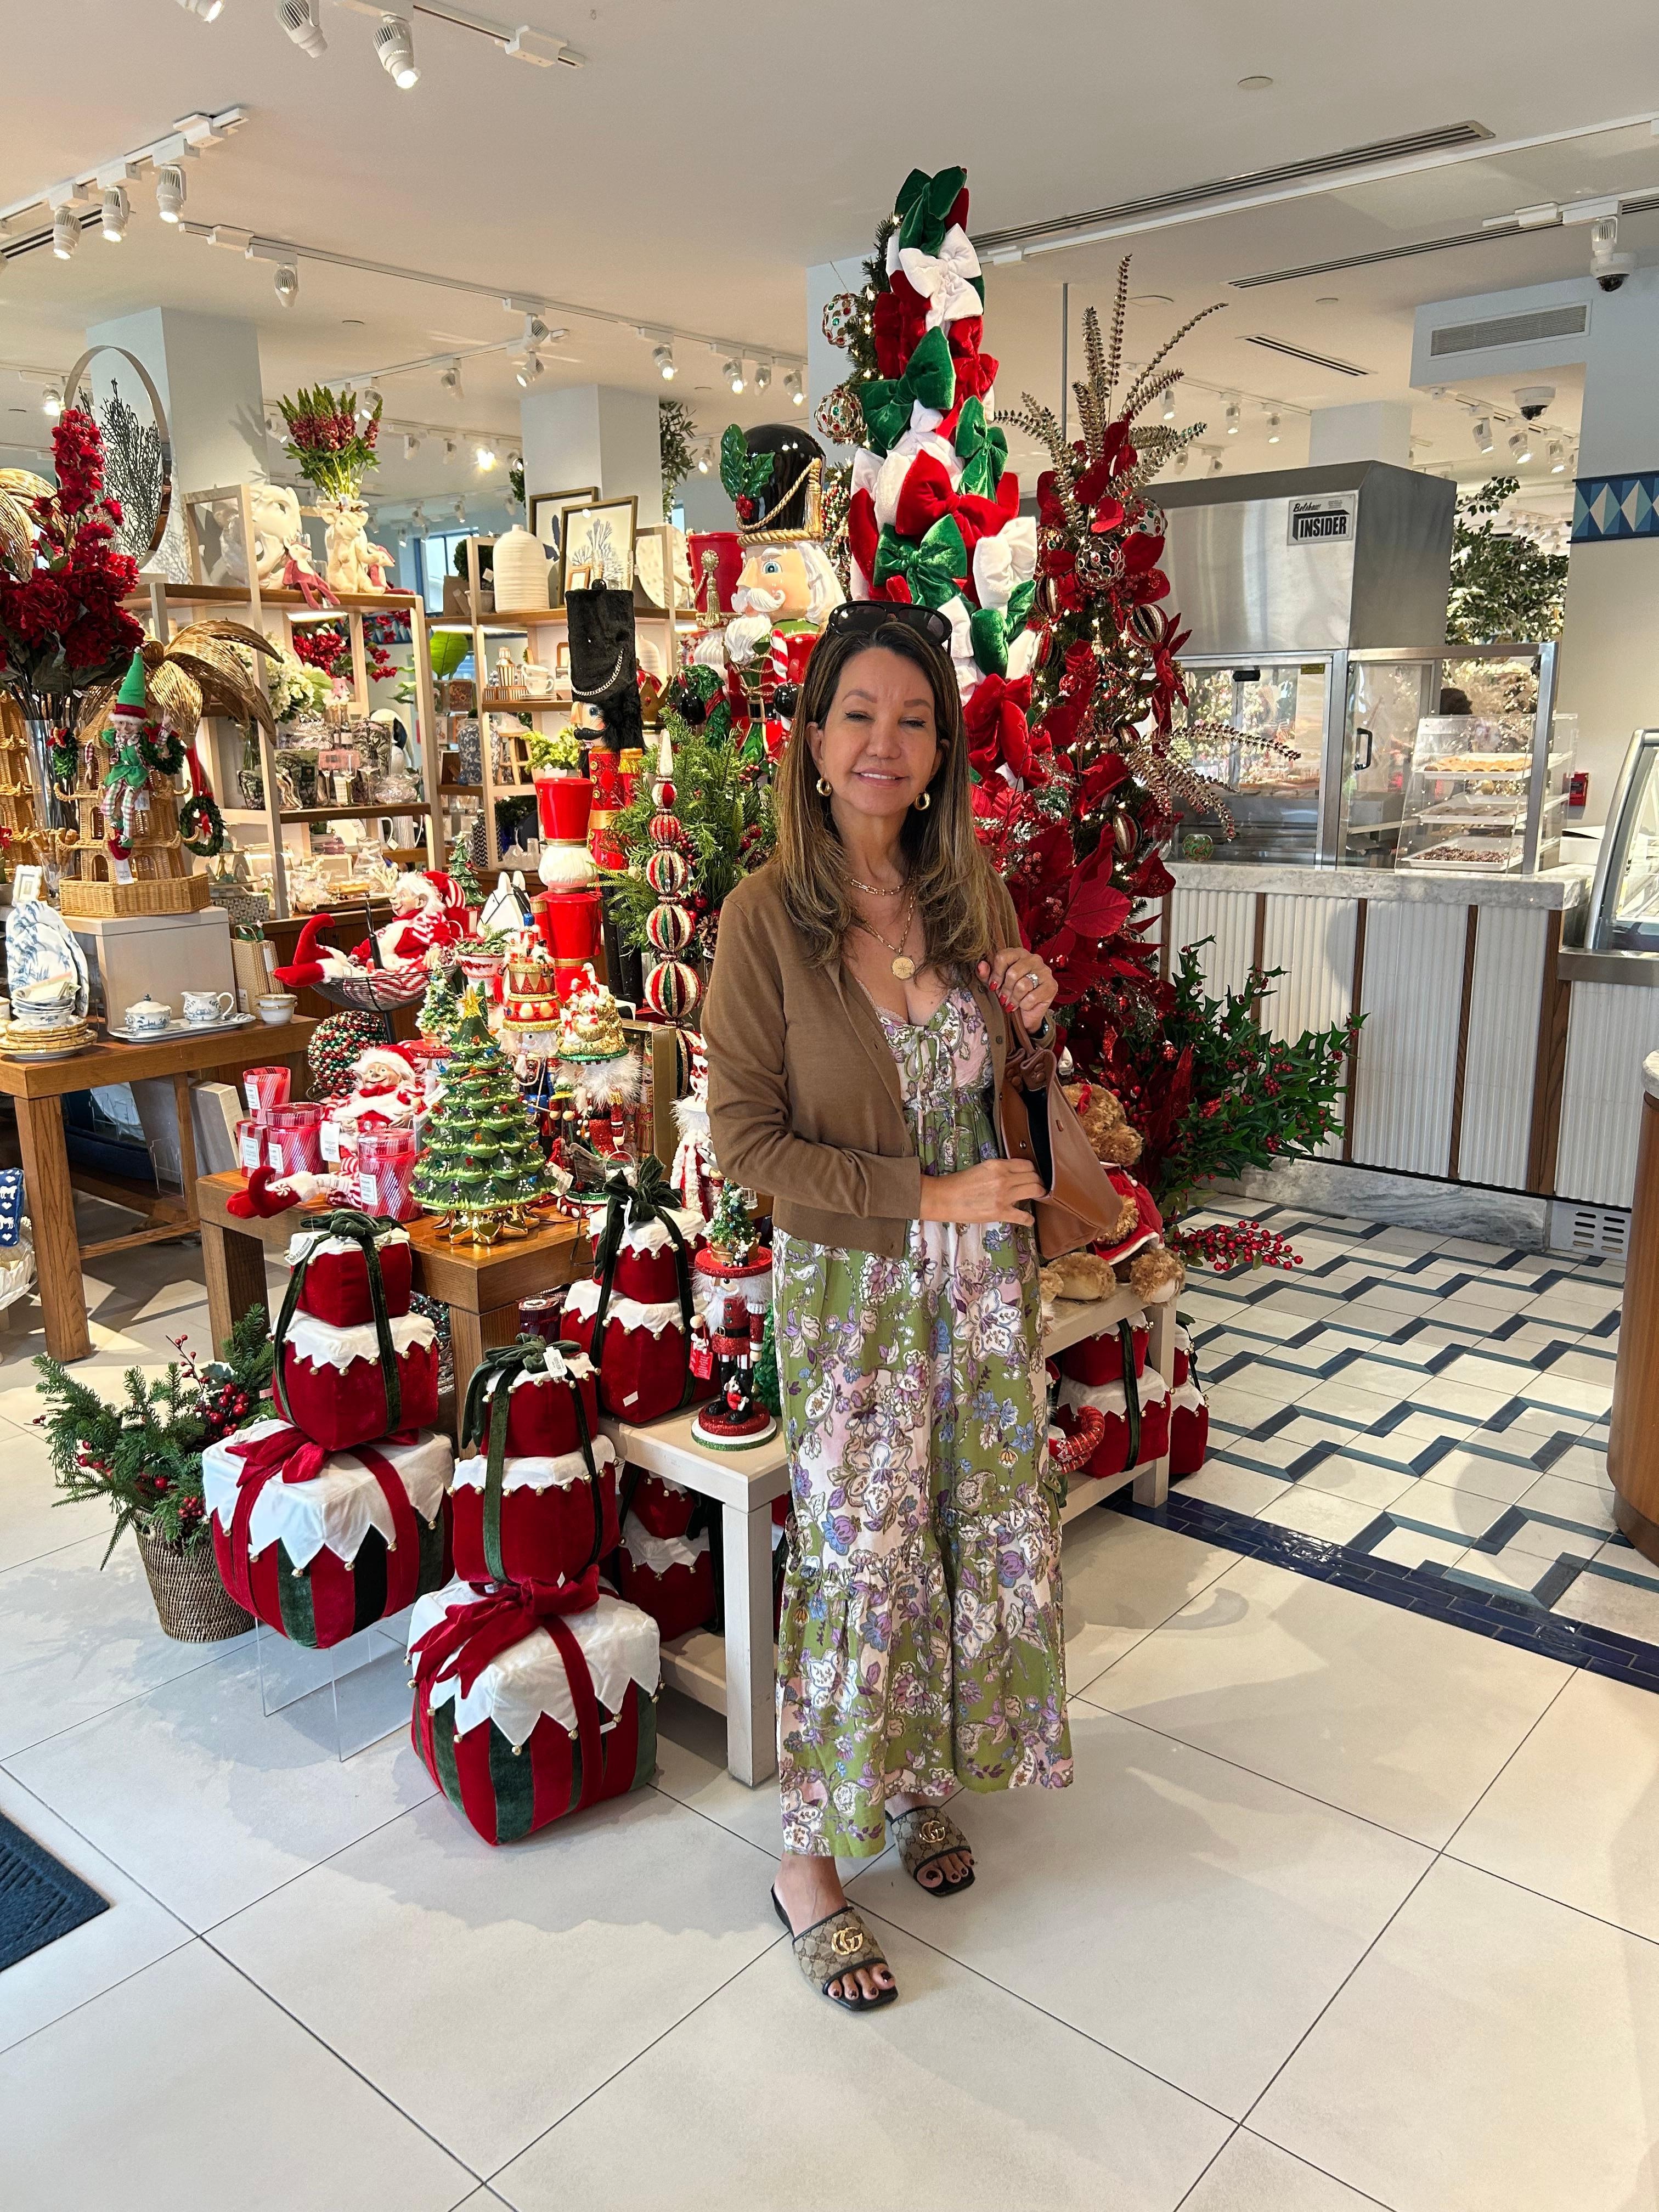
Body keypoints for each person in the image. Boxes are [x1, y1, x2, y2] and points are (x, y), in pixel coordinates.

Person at [702, 602, 1068, 2013]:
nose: (884, 741)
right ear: (811, 738)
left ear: (940, 756)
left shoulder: (971, 903)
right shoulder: (763, 920)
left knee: (960, 1535)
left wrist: (1031, 1024)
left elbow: (1009, 1098)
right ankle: (807, 1860)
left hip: (978, 1298)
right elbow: (748, 1145)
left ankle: (913, 1778)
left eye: (914, 720)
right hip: (854, 1294)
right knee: (860, 1555)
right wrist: (926, 1196)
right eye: (857, 712)